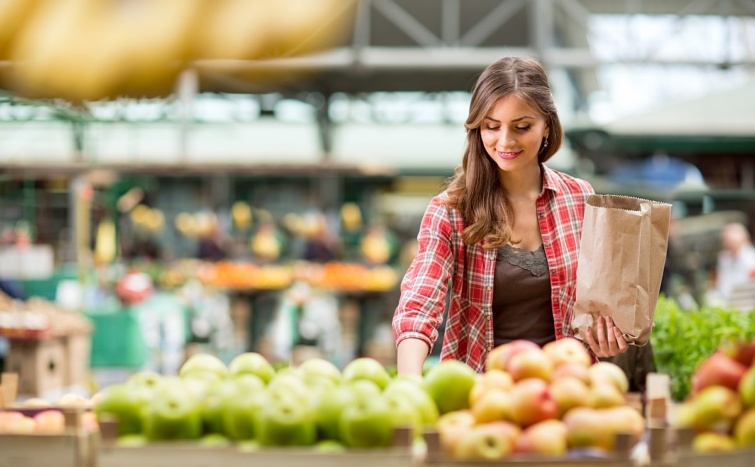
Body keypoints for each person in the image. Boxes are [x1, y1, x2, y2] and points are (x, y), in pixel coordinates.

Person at [392, 56, 628, 376]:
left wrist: (609, 336)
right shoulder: (451, 210)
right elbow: (420, 302)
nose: (505, 141)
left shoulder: (579, 198)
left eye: (522, 127)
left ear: (547, 124)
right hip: (482, 393)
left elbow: (603, 305)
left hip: (566, 389)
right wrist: (409, 381)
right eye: (492, 126)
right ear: (478, 127)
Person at [715, 222, 755, 302]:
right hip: (726, 301)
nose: (727, 245)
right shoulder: (724, 258)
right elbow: (721, 283)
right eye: (726, 242)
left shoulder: (750, 258)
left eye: (731, 243)